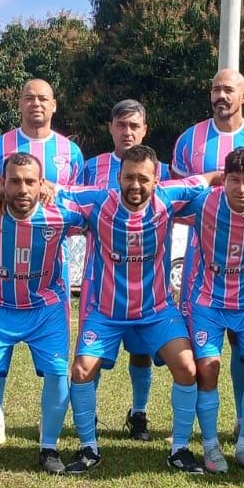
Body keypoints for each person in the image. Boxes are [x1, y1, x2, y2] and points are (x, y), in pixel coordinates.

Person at [57, 144, 210, 473]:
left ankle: (180, 448)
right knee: (82, 370)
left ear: (156, 180)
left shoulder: (168, 198)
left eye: (143, 178)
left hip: (157, 310)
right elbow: (57, 191)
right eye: (129, 177)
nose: (135, 185)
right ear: (118, 177)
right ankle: (88, 448)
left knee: (187, 367)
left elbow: (209, 179)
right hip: (107, 312)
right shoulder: (99, 201)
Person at [171, 69, 244, 445]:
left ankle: (242, 421)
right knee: (207, 358)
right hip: (202, 259)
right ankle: (199, 434)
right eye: (216, 88)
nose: (222, 95)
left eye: (229, 89)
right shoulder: (190, 139)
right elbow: (179, 196)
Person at [0, 153, 88, 475]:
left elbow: (98, 208)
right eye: (14, 181)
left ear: (41, 183)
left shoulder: (60, 214)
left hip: (45, 309)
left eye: (30, 181)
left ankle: (49, 447)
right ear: (2, 183)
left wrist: (58, 190)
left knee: (58, 375)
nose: (22, 189)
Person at [0, 78, 85, 445]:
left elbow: (77, 201)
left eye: (43, 98)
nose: (36, 104)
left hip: (50, 269)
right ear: (19, 104)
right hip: (3, 266)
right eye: (28, 98)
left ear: (54, 105)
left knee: (53, 360)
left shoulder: (71, 151)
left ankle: (48, 427)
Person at [177, 148, 244, 473]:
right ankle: (211, 447)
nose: (241, 189)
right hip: (207, 301)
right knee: (208, 368)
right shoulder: (204, 202)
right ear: (224, 180)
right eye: (234, 181)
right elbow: (167, 197)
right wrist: (207, 178)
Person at [77, 98, 170, 440]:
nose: (128, 131)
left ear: (145, 130)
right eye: (122, 125)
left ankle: (140, 411)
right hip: (100, 278)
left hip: (146, 283)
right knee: (91, 355)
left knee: (142, 352)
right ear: (111, 128)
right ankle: (91, 415)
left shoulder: (163, 171)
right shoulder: (91, 167)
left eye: (135, 125)